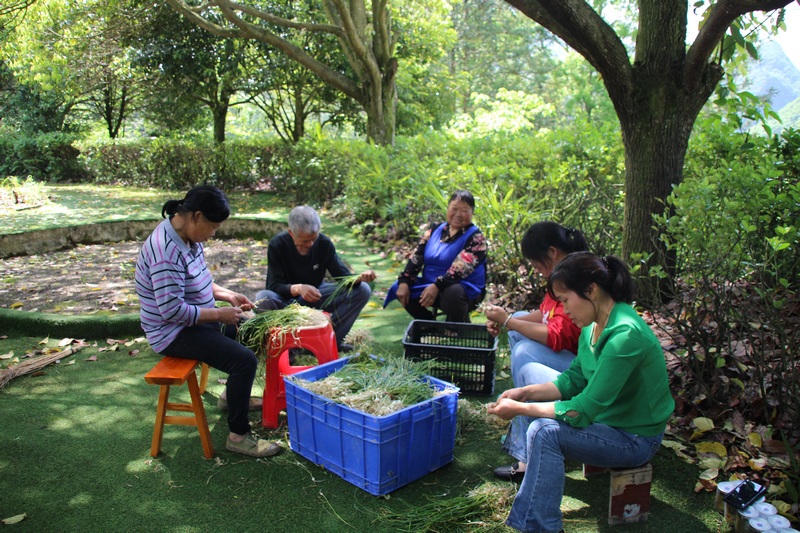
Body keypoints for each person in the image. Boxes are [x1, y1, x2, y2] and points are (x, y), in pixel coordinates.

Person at [487, 252, 674, 533]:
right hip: (610, 420)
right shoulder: (593, 323)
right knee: (534, 397)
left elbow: (583, 409)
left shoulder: (625, 335)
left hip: (634, 438)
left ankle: (540, 526)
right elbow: (573, 379)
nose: (564, 309)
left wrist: (522, 409)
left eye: (565, 300)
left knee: (544, 431)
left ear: (591, 290)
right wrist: (523, 393)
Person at [135, 186, 280, 458]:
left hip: (195, 321)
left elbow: (199, 280)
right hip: (173, 332)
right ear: (196, 216)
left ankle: (230, 397)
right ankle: (238, 436)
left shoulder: (188, 237)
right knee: (244, 360)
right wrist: (219, 314)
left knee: (253, 331)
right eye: (212, 226)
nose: (213, 233)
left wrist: (228, 295)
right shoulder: (165, 250)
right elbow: (171, 311)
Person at [483, 222, 588, 481]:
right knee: (520, 323)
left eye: (536, 262)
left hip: (583, 369)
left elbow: (558, 333)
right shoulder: (565, 271)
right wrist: (508, 320)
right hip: (578, 363)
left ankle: (527, 452)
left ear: (552, 252)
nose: (535, 269)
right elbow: (545, 315)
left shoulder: (575, 276)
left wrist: (508, 321)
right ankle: (525, 413)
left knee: (523, 353)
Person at [255, 205, 376, 352]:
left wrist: (360, 278)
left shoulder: (324, 243)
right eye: (305, 241)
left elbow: (342, 277)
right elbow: (274, 285)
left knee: (363, 290)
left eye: (314, 239)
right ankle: (288, 347)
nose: (310, 244)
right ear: (291, 233)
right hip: (286, 301)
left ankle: (330, 341)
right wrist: (299, 288)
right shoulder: (277, 245)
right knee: (262, 297)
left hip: (317, 295)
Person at [383, 190, 487, 323]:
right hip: (430, 285)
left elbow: (460, 269)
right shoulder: (434, 230)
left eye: (465, 210)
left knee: (453, 292)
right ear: (447, 208)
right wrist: (405, 281)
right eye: (454, 209)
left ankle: (456, 325)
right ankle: (426, 322)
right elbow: (417, 257)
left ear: (472, 213)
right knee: (400, 287)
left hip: (464, 288)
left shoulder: (476, 238)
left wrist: (437, 286)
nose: (458, 214)